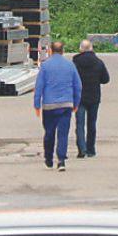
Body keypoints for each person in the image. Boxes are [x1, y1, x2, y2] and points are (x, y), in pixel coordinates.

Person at [33, 40, 82, 171]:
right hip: (66, 105)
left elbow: (39, 87)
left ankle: (48, 158)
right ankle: (61, 160)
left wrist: (37, 104)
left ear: (50, 51)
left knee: (49, 132)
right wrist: (76, 103)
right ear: (63, 51)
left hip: (49, 106)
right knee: (63, 133)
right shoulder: (70, 65)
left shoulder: (45, 66)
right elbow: (78, 86)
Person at [71, 39, 110, 159]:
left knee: (80, 124)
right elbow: (105, 79)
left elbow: (71, 78)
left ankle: (81, 149)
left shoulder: (75, 62)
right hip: (94, 97)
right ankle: (91, 149)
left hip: (79, 97)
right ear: (91, 48)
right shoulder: (98, 62)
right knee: (91, 124)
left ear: (81, 49)